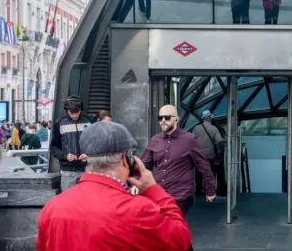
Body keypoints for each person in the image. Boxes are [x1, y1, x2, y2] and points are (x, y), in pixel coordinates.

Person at [36, 121, 192, 251]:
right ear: (126, 159)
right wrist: (153, 190)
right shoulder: (137, 210)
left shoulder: (52, 207)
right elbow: (180, 240)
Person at [142, 104, 216, 239]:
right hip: (160, 195)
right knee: (169, 232)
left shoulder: (189, 139)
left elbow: (203, 166)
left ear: (176, 119)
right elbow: (144, 165)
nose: (163, 121)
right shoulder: (155, 140)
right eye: (160, 118)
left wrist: (210, 189)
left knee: (170, 230)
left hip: (181, 195)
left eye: (167, 117)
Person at [50, 96, 92, 191]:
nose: (74, 115)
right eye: (71, 113)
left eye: (77, 112)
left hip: (88, 168)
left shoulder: (89, 121)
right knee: (68, 201)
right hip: (68, 170)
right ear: (66, 110)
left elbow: (97, 142)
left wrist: (89, 155)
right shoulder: (59, 123)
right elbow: (53, 147)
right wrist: (65, 156)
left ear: (81, 109)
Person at [194, 110, 226, 196]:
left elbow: (192, 141)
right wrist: (226, 140)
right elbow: (219, 140)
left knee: (199, 174)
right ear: (210, 118)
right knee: (210, 173)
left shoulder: (196, 128)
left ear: (202, 118)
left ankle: (198, 191)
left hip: (199, 155)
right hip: (210, 155)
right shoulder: (214, 128)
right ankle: (210, 191)